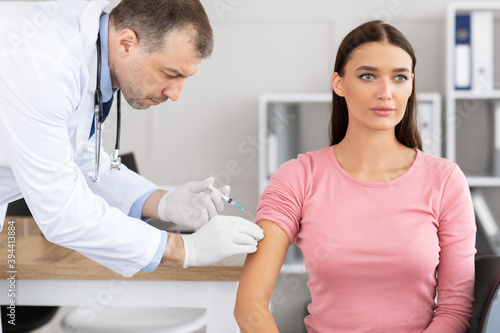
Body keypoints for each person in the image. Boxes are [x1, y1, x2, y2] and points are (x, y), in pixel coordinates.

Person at [234, 20, 476, 332]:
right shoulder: (298, 177)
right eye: (368, 76)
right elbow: (250, 304)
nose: (385, 92)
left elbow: (455, 310)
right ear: (339, 83)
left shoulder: (445, 180)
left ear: (411, 84)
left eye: (399, 77)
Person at [0, 0, 263, 278]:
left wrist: (164, 202)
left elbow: (78, 158)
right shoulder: (45, 64)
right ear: (127, 43)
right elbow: (64, 211)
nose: (175, 93)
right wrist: (185, 248)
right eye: (170, 74)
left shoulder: (91, 52)